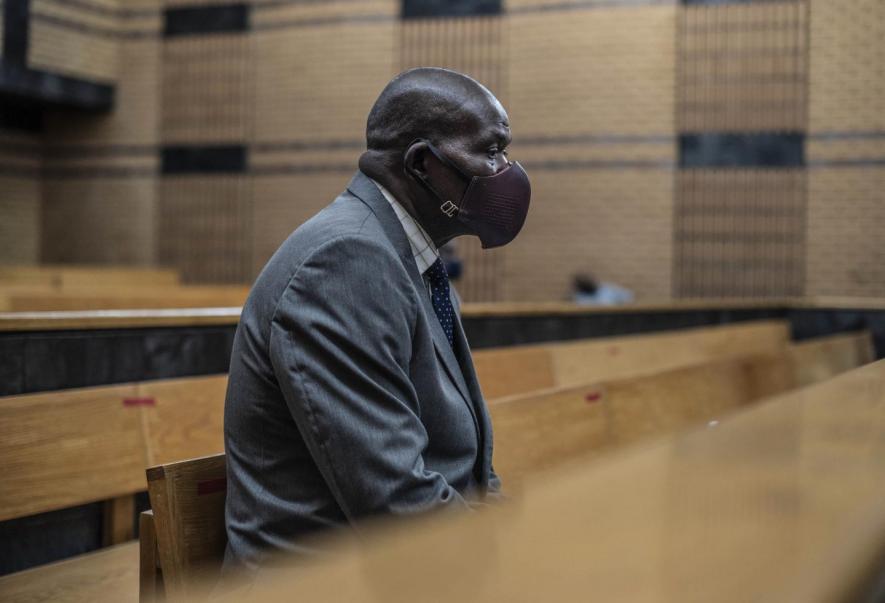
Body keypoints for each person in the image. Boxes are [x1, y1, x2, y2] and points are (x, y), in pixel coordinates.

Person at [222, 67, 531, 575]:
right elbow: (396, 500)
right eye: (491, 150)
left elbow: (469, 466)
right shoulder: (343, 262)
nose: (505, 170)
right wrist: (510, 561)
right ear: (423, 165)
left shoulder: (408, 256)